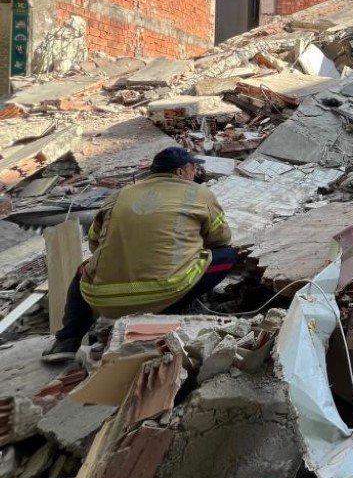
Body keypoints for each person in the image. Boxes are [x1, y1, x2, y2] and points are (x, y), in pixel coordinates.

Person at [43, 147, 235, 363]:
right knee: (226, 255)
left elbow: (95, 242)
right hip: (164, 291)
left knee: (84, 270)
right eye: (193, 168)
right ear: (181, 172)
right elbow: (220, 239)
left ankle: (67, 340)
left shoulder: (121, 194)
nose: (195, 173)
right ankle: (161, 316)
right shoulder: (199, 194)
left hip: (104, 299)